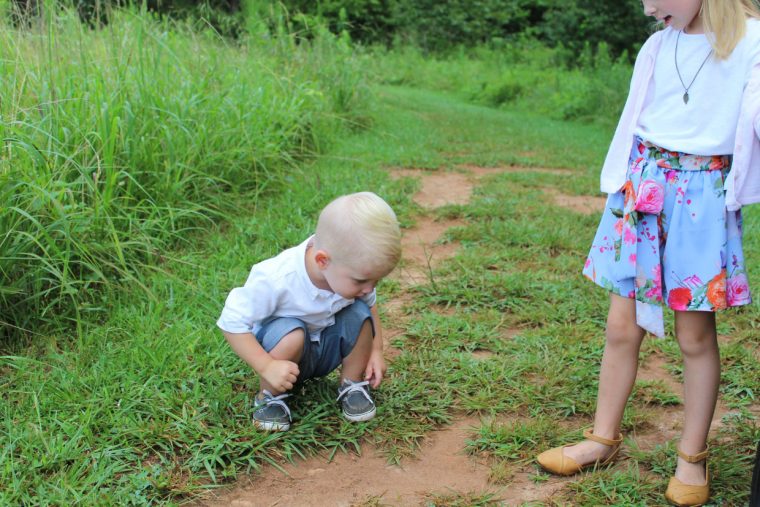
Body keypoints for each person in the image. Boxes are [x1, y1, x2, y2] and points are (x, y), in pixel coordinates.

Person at [536, 1, 760, 505]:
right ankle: (601, 438)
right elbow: (635, 119)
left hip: (701, 200)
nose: (647, 6)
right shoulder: (660, 43)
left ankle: (692, 457)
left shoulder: (752, 41)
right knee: (621, 325)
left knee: (694, 335)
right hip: (644, 189)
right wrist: (618, 186)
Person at [217, 192, 401, 432]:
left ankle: (352, 383)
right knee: (291, 332)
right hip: (284, 355)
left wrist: (376, 351)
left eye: (377, 280)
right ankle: (270, 397)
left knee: (359, 311)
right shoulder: (277, 278)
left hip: (325, 346)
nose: (369, 288)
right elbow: (231, 322)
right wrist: (266, 366)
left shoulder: (351, 273)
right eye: (362, 281)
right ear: (323, 261)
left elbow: (370, 305)